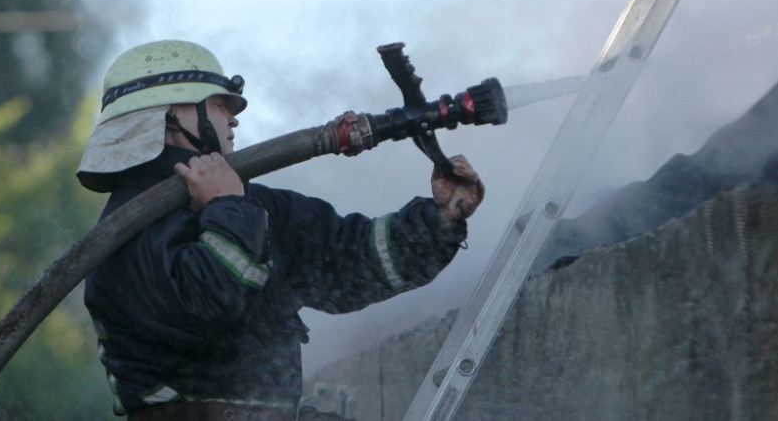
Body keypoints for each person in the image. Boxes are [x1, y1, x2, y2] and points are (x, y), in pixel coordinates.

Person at [78, 40, 485, 420]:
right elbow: (210, 306)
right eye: (219, 104)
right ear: (169, 115)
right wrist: (226, 208)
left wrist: (440, 219)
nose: (233, 117)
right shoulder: (126, 234)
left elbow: (350, 261)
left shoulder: (251, 206)